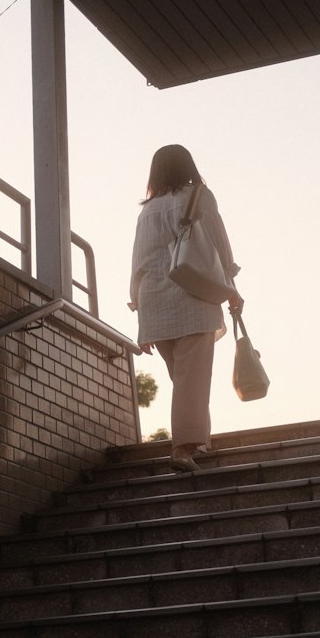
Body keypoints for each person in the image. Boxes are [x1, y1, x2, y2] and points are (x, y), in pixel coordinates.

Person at [129, 144, 243, 473]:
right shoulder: (199, 197)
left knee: (183, 379)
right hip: (193, 296)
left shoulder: (147, 211)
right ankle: (183, 448)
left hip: (153, 301)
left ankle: (198, 441)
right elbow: (220, 246)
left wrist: (139, 310)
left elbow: (139, 261)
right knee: (193, 377)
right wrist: (231, 287)